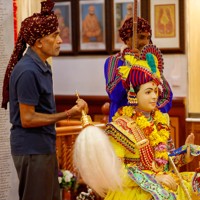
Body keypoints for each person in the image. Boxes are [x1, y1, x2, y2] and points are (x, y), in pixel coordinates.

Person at [74, 51, 200, 199]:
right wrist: (154, 178)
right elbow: (116, 172)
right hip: (135, 191)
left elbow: (162, 161)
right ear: (134, 94)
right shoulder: (120, 128)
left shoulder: (161, 121)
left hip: (164, 183)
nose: (154, 96)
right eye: (148, 92)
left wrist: (184, 155)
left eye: (155, 91)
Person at [1, 1, 88, 200]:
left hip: (42, 147)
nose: (59, 40)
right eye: (54, 35)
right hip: (32, 150)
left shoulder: (41, 66)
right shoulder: (28, 70)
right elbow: (28, 119)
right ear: (39, 42)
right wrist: (69, 114)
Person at [104, 17, 173, 122]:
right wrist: (130, 65)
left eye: (148, 38)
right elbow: (114, 95)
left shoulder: (150, 62)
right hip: (122, 127)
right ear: (127, 40)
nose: (146, 42)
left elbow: (167, 96)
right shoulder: (114, 61)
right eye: (141, 37)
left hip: (148, 127)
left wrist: (152, 111)